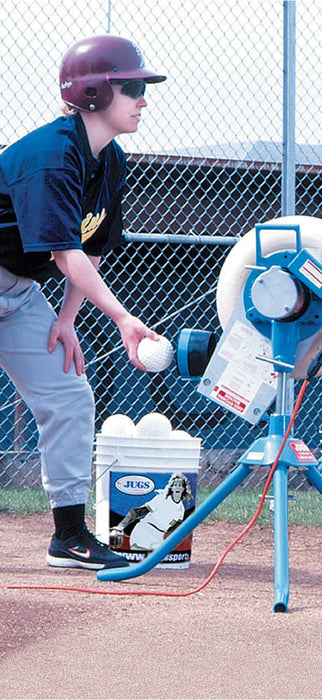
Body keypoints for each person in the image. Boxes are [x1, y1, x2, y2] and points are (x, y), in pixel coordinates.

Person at [0, 35, 167, 569]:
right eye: (132, 88)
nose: (143, 99)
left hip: (18, 293)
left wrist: (68, 319)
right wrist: (121, 317)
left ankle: (69, 536)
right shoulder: (51, 154)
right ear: (94, 92)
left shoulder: (109, 159)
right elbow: (65, 253)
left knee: (69, 396)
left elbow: (89, 249)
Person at [109, 473, 193, 551]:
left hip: (159, 536)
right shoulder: (162, 499)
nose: (177, 487)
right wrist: (120, 526)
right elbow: (136, 512)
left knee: (156, 561)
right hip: (145, 530)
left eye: (180, 485)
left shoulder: (181, 509)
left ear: (183, 488)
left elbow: (173, 528)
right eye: (175, 485)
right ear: (171, 488)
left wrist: (169, 542)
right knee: (139, 559)